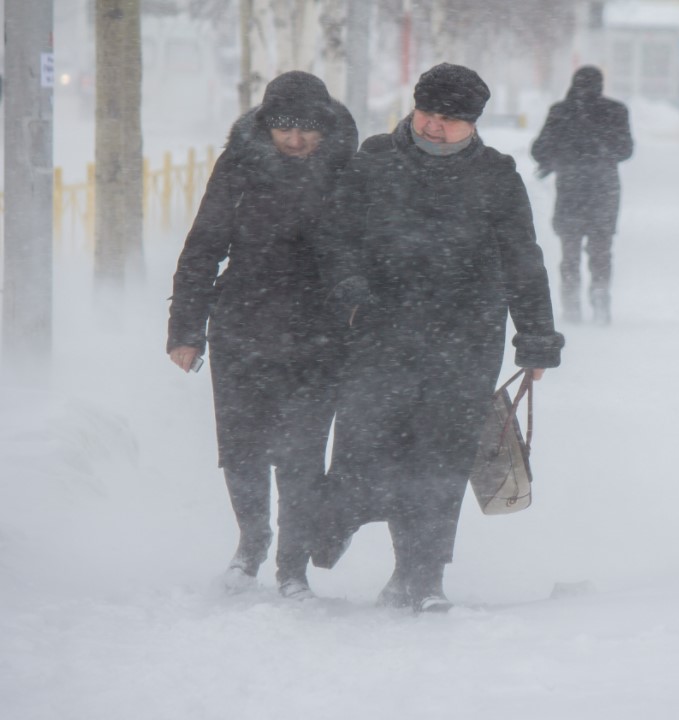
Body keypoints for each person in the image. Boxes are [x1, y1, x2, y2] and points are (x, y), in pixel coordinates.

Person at [314, 63, 564, 613]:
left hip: (465, 339)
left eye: (450, 119)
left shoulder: (496, 176)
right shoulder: (374, 161)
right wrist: (353, 293)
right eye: (428, 112)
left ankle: (421, 577)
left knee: (440, 460)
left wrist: (538, 338)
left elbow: (524, 260)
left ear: (473, 123)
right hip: (381, 334)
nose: (433, 125)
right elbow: (337, 240)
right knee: (366, 447)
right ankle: (341, 515)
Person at [166, 71, 358, 599]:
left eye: (307, 131)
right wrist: (186, 329)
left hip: (320, 336)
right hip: (243, 327)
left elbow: (368, 254)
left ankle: (292, 567)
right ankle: (252, 542)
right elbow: (204, 247)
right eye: (283, 129)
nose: (295, 141)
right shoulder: (239, 167)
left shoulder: (349, 170)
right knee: (243, 449)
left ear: (325, 125)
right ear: (266, 125)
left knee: (301, 453)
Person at [531, 65, 633, 325]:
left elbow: (539, 150)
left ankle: (571, 305)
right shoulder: (616, 111)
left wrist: (564, 155)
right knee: (601, 251)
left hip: (570, 191)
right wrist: (600, 151)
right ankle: (600, 297)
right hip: (604, 190)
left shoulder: (561, 112)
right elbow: (625, 150)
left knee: (570, 254)